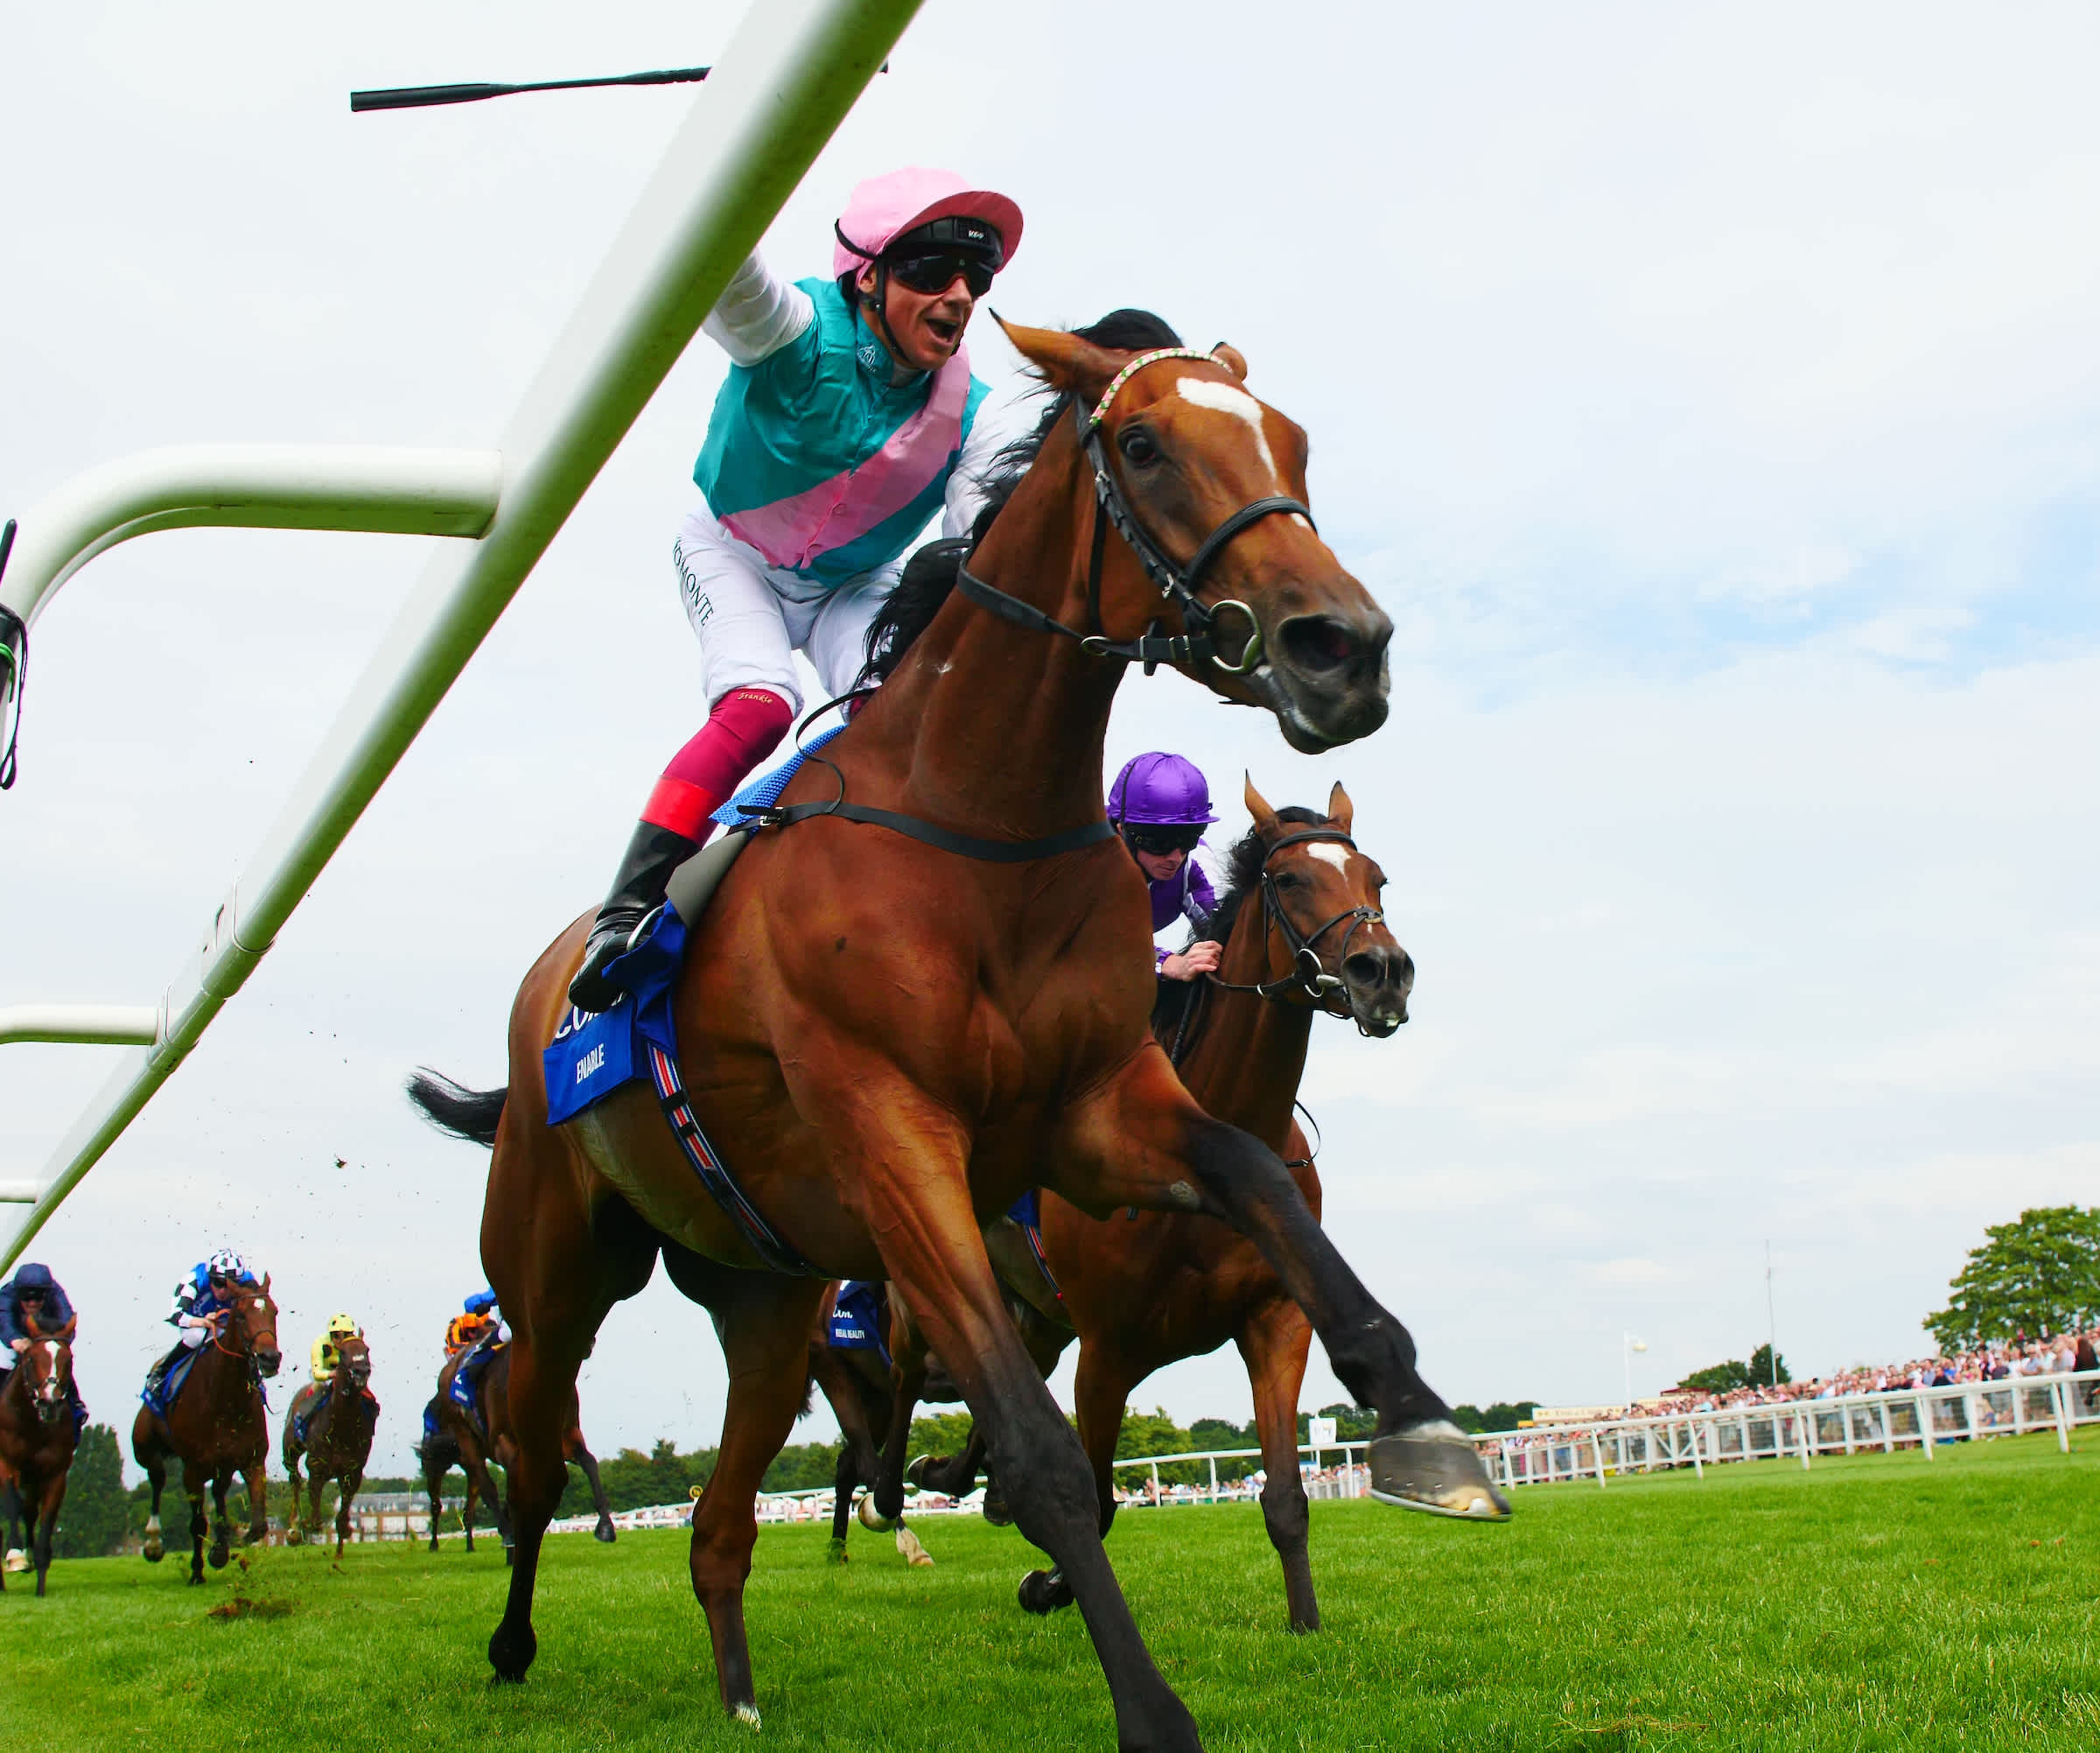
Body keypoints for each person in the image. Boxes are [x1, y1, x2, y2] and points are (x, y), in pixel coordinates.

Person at [567, 166, 1026, 1012]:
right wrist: (728, 149)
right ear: (868, 276)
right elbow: (717, 266)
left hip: (855, 581)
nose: (959, 296)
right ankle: (627, 906)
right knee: (759, 706)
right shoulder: (794, 332)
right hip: (732, 552)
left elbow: (982, 529)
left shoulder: (978, 412)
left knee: (902, 719)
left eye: (977, 278)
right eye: (930, 271)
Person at [1109, 752, 1224, 982]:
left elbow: (1225, 929)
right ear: (1123, 831)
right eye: (1160, 843)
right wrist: (1166, 962)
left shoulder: (1195, 861)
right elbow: (1091, 942)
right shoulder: (1084, 859)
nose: (1175, 857)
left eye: (1187, 840)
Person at [142, 1248, 260, 1401]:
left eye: (230, 1285)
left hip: (226, 1324)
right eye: (218, 1283)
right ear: (210, 1277)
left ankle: (256, 1380)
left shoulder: (248, 1282)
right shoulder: (195, 1279)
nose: (223, 1290)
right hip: (194, 1322)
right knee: (197, 1337)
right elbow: (175, 1316)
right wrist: (203, 1322)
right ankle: (160, 1373)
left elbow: (259, 1312)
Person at [0, 1262, 85, 1427]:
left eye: (38, 1297)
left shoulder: (56, 1293)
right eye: (27, 1298)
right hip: (10, 1337)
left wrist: (57, 1341)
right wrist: (15, 1339)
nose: (32, 1303)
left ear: (46, 1294)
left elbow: (67, 1321)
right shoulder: (6, 1295)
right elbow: (4, 1321)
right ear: (18, 1294)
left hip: (44, 1336)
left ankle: (76, 1406)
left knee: (56, 1360)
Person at [309, 1312, 362, 1385]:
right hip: (325, 1374)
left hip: (347, 1375)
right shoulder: (319, 1343)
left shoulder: (355, 1343)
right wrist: (333, 1374)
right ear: (331, 1335)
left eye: (346, 1335)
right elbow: (316, 1373)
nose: (341, 1340)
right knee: (319, 1387)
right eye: (337, 1336)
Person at [444, 1290, 500, 1357]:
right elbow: (453, 1346)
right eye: (472, 1330)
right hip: (459, 1358)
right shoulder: (456, 1324)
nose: (473, 1335)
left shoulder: (489, 1322)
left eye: (478, 1330)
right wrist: (480, 1344)